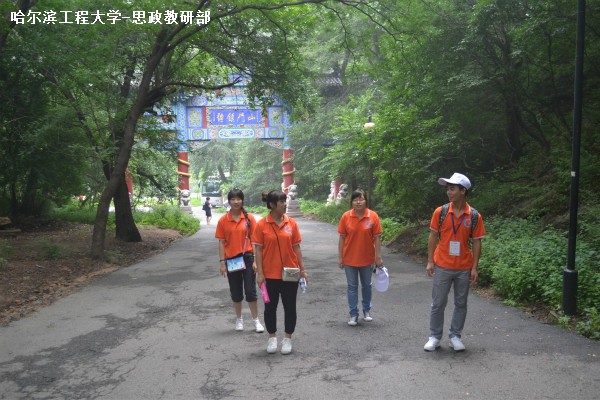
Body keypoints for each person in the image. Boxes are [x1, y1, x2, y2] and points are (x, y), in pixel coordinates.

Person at [424, 173, 485, 352]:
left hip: (464, 267)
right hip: (442, 264)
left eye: (452, 189)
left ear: (463, 191)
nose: (448, 192)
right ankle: (434, 337)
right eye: (448, 189)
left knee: (461, 303)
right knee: (438, 303)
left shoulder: (474, 215)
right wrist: (430, 261)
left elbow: (477, 242)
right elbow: (433, 236)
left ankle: (455, 336)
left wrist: (474, 267)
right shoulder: (441, 212)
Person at [254, 190, 307, 355]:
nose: (285, 204)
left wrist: (303, 269)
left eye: (285, 201)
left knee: (290, 307)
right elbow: (258, 251)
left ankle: (287, 338)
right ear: (272, 205)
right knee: (270, 307)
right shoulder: (261, 225)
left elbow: (296, 247)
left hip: (290, 273)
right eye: (282, 202)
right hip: (269, 275)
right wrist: (260, 273)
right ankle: (272, 337)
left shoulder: (292, 223)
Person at [215, 189, 264, 333]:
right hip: (232, 260)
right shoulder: (223, 220)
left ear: (242, 200)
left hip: (248, 258)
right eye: (233, 199)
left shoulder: (249, 219)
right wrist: (222, 263)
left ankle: (256, 320)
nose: (236, 202)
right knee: (236, 292)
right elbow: (221, 243)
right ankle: (239, 319)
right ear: (229, 201)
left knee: (250, 290)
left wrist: (255, 261)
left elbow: (255, 241)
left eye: (238, 199)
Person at [338, 189, 383, 326]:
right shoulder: (346, 216)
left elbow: (377, 238)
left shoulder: (373, 216)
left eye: (361, 199)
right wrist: (340, 257)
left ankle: (366, 310)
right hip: (349, 259)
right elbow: (342, 238)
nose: (358, 202)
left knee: (367, 285)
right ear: (351, 202)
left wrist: (378, 257)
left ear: (366, 201)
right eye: (355, 199)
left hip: (367, 258)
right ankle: (353, 314)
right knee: (352, 286)